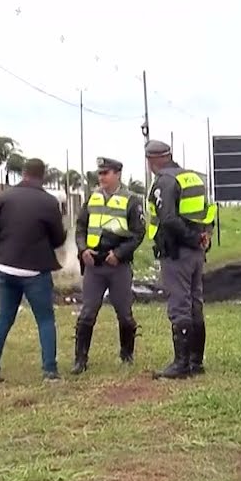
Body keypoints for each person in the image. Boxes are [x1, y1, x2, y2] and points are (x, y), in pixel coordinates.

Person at [0, 158, 67, 382]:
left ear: (23, 173)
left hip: (4, 267)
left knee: (3, 318)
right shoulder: (49, 202)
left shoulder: (3, 198)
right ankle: (50, 371)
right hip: (35, 271)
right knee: (45, 319)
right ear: (43, 175)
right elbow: (58, 240)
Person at [144, 139, 217, 379]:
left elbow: (168, 220)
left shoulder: (164, 181)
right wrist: (202, 236)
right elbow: (207, 212)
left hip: (178, 252)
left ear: (152, 160)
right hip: (196, 252)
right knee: (195, 303)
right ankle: (196, 361)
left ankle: (181, 364)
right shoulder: (193, 178)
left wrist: (191, 239)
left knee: (179, 305)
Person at [71, 156, 147, 374]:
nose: (101, 177)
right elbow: (80, 227)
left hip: (118, 265)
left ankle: (126, 355)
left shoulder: (131, 200)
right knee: (87, 312)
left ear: (117, 174)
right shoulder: (92, 198)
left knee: (124, 313)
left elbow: (138, 233)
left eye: (106, 173)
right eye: (100, 173)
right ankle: (80, 360)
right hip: (94, 264)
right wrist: (82, 248)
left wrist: (120, 254)